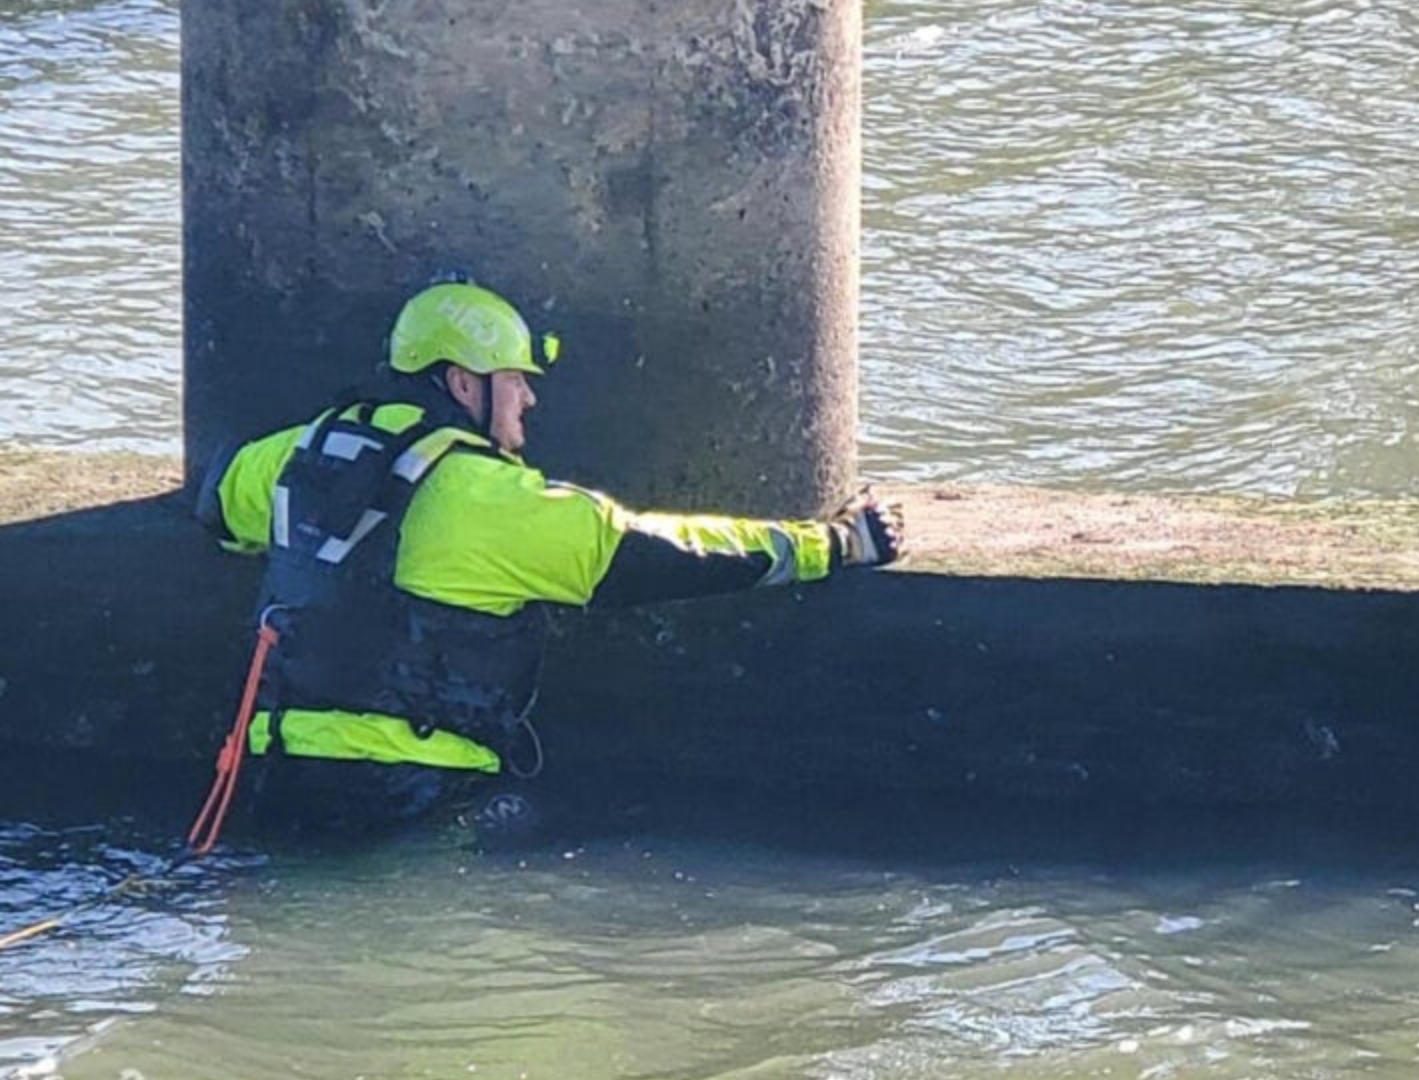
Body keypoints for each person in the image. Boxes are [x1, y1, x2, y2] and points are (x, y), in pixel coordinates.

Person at [191, 280, 904, 845]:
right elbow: (661, 555)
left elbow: (218, 507)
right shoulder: (493, 498)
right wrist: (836, 543)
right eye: (515, 378)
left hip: (275, 776)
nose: (530, 397)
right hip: (415, 794)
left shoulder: (302, 453)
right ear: (463, 384)